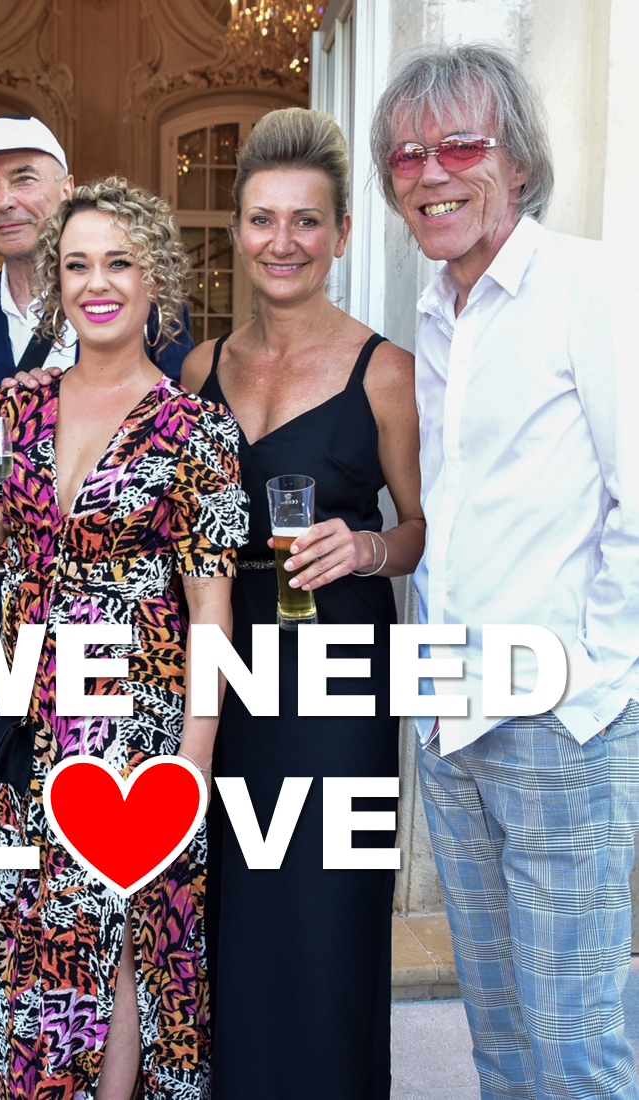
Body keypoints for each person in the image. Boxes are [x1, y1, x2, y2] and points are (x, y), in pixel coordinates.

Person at [371, 44, 639, 1098]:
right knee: (499, 1031)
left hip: (559, 721)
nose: (429, 173)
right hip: (451, 717)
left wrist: (590, 684)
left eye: (459, 146)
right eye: (406, 156)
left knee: (574, 1041)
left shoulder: (593, 285)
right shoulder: (434, 311)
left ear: (517, 162)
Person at [0, 177, 247, 1100]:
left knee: (117, 938)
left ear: (157, 277)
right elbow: (2, 548)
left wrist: (194, 758)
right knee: (20, 929)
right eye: (77, 265)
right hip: (25, 709)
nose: (97, 283)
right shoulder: (12, 404)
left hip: (133, 721)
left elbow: (213, 612)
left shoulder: (197, 429)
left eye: (119, 262)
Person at [178, 107, 424, 1098]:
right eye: (263, 219)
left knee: (324, 899)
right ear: (237, 231)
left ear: (340, 233)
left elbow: (420, 528)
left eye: (307, 220)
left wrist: (367, 546)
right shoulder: (198, 369)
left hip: (336, 672)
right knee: (231, 893)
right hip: (223, 663)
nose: (283, 241)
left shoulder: (386, 371)